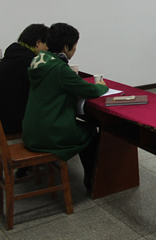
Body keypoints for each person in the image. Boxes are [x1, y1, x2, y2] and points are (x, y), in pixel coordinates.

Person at [22, 23, 109, 191]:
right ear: (65, 47)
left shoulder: (37, 60)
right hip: (49, 134)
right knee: (91, 131)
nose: (75, 49)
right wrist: (101, 86)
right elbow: (90, 90)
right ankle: (92, 181)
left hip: (31, 131)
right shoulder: (60, 69)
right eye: (75, 45)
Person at [0, 24, 49, 135]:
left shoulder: (13, 55)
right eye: (47, 44)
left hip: (1, 119)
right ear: (38, 43)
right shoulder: (28, 61)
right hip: (14, 122)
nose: (48, 49)